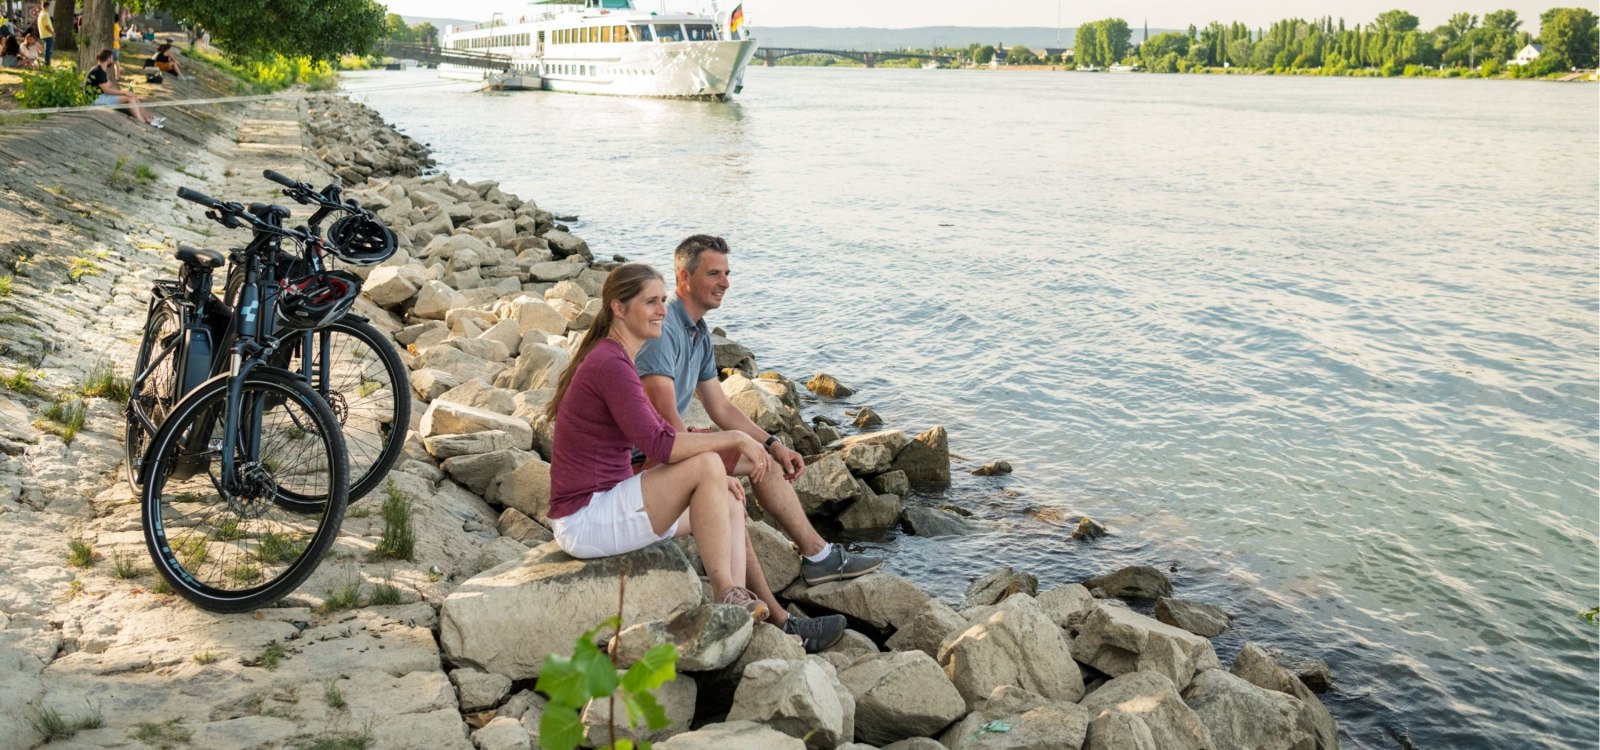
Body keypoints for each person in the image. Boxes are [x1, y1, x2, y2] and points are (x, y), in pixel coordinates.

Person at [634, 235, 884, 650]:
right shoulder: (664, 330)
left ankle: (817, 556)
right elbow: (666, 423)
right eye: (714, 273)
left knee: (760, 458)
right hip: (648, 458)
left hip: (672, 444)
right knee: (726, 494)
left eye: (727, 273)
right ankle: (779, 617)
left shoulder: (697, 332)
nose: (726, 282)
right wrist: (713, 469)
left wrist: (771, 442)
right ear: (684, 277)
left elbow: (720, 407)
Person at [544, 263, 781, 623]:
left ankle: (736, 610)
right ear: (618, 308)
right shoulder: (610, 363)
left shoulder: (617, 357)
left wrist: (717, 483)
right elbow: (662, 446)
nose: (662, 310)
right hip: (585, 518)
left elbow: (661, 431)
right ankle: (725, 592)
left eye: (662, 300)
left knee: (728, 500)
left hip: (607, 505)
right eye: (650, 302)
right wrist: (735, 438)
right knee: (707, 464)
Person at [85, 49, 163, 128]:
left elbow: (110, 85)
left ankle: (149, 118)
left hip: (102, 96)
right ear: (108, 59)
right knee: (129, 99)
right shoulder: (98, 71)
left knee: (133, 96)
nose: (113, 60)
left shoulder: (101, 70)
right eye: (112, 58)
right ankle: (142, 121)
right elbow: (106, 90)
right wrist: (125, 93)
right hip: (96, 99)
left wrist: (123, 92)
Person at [35, 1, 51, 66]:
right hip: (47, 34)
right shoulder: (45, 14)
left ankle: (46, 62)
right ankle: (47, 63)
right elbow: (46, 26)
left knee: (46, 49)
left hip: (43, 34)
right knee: (48, 50)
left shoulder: (41, 14)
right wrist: (52, 32)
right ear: (47, 7)